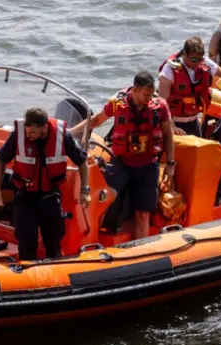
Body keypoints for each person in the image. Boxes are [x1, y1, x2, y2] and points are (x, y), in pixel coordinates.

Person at [72, 71, 175, 239]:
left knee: (143, 213)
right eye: (145, 95)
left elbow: (167, 135)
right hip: (121, 163)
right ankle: (91, 236)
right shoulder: (117, 103)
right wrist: (70, 132)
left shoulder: (160, 106)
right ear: (135, 89)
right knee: (104, 196)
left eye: (151, 94)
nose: (149, 99)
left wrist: (170, 164)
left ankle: (142, 249)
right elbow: (96, 120)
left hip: (147, 165)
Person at [0, 107, 90, 262]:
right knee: (26, 242)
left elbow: (82, 162)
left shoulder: (63, 136)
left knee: (53, 242)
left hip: (50, 197)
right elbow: (1, 159)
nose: (28, 136)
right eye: (27, 132)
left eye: (32, 133)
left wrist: (85, 190)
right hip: (25, 198)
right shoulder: (19, 134)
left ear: (44, 127)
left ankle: (54, 275)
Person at [158, 35, 221, 137]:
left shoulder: (204, 63)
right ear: (184, 54)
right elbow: (162, 102)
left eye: (199, 59)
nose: (197, 63)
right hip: (174, 123)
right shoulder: (169, 70)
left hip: (194, 122)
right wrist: (171, 126)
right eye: (193, 59)